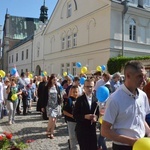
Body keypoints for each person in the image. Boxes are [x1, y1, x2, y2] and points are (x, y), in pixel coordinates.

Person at [101, 61, 150, 150]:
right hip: (122, 147)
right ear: (128, 76)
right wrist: (132, 141)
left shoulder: (143, 96)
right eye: (139, 76)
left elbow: (141, 119)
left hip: (142, 145)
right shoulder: (115, 99)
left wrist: (149, 132)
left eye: (144, 76)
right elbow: (104, 131)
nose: (143, 80)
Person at [73, 79, 99, 150]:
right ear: (84, 88)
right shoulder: (79, 100)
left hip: (92, 130)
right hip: (82, 130)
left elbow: (98, 113)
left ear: (94, 88)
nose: (89, 88)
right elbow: (75, 115)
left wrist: (96, 117)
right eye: (87, 87)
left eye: (91, 86)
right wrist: (85, 116)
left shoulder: (96, 99)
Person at [41, 74, 62, 139]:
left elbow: (59, 95)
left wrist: (60, 102)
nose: (55, 81)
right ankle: (48, 130)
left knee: (54, 120)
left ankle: (52, 132)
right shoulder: (47, 87)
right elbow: (43, 97)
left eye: (55, 80)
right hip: (49, 105)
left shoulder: (57, 87)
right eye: (53, 80)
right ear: (51, 80)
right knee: (51, 119)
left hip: (56, 105)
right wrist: (42, 106)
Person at [63, 85, 79, 150]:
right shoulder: (69, 100)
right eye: (73, 92)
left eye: (76, 92)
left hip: (78, 121)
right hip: (71, 120)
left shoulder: (79, 100)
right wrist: (71, 116)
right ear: (71, 92)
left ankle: (70, 143)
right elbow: (64, 111)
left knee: (77, 136)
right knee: (72, 136)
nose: (75, 94)